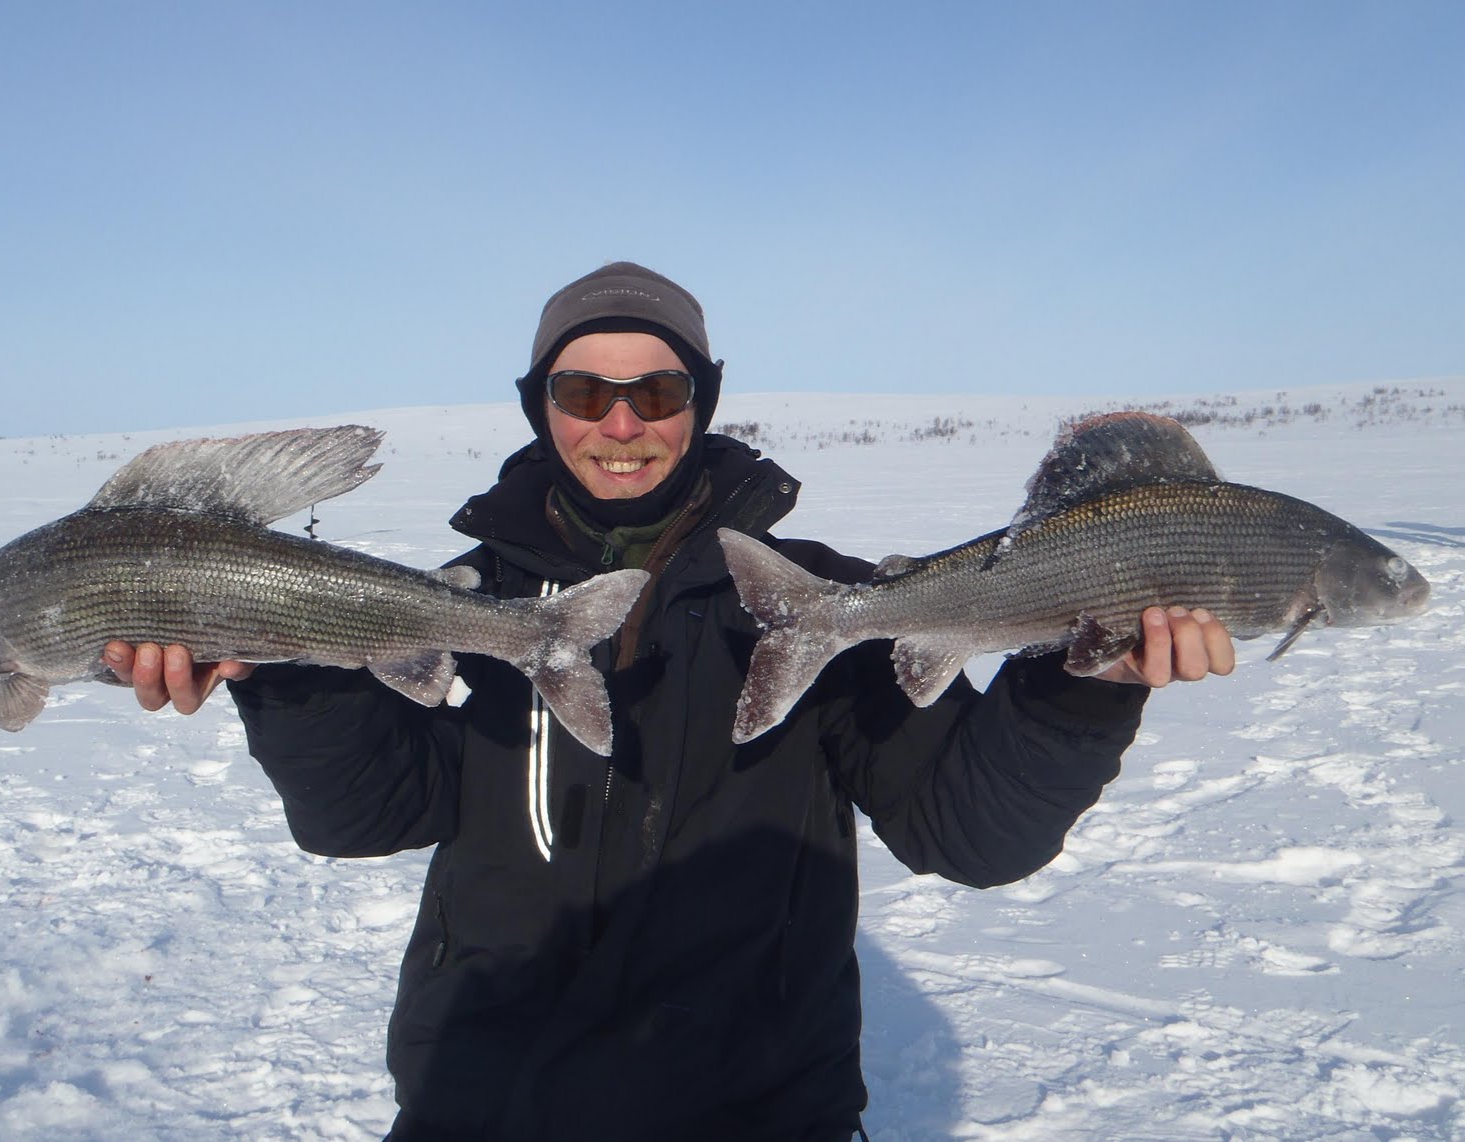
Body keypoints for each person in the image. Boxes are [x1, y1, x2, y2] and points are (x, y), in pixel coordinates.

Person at [104, 262, 1234, 1141]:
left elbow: (969, 829)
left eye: (657, 389)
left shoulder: (815, 602)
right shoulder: (466, 600)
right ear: (539, 406)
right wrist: (286, 664)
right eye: (583, 389)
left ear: (700, 402)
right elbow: (367, 812)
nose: (621, 422)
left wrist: (1080, 686)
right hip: (483, 1108)